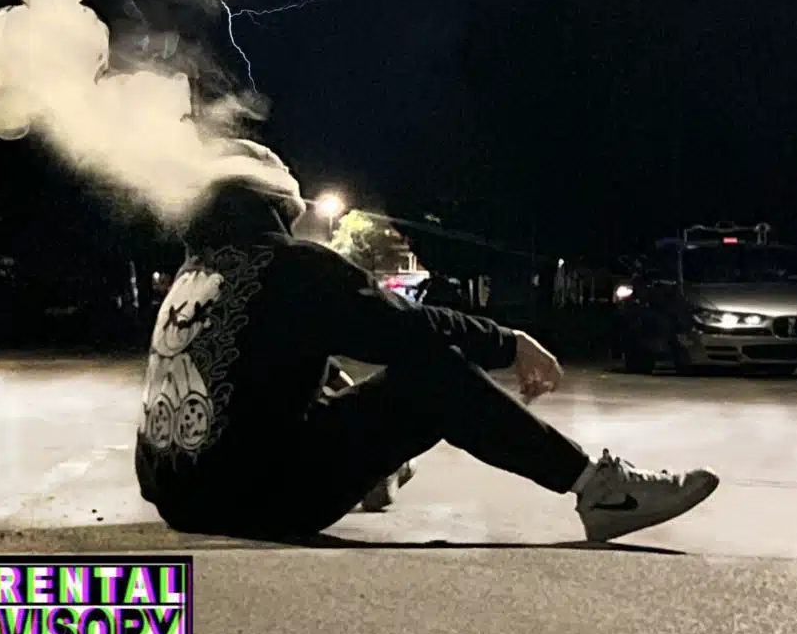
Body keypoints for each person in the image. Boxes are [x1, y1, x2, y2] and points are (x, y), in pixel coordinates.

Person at [135, 143, 719, 541]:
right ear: (276, 204)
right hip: (257, 502)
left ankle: (372, 476)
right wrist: (508, 342)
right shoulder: (287, 266)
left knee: (313, 368)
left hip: (181, 497)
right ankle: (600, 491)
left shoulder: (196, 275)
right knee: (435, 377)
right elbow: (406, 329)